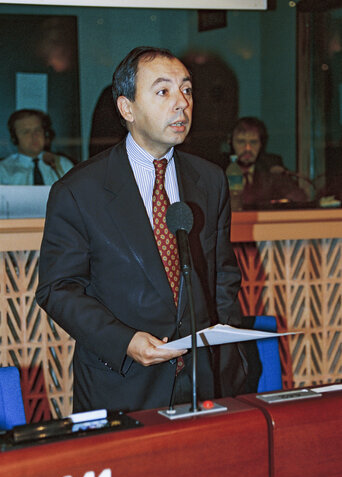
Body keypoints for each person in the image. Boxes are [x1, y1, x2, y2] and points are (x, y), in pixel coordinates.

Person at [36, 46, 247, 414]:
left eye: (187, 90)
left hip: (204, 382)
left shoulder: (210, 180)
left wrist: (226, 353)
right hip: (121, 383)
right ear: (127, 108)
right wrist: (124, 341)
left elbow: (221, 276)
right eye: (163, 91)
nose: (181, 103)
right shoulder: (79, 190)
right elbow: (58, 289)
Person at [226, 117, 307, 209]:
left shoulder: (270, 165)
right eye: (241, 142)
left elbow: (299, 197)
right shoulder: (219, 169)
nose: (247, 148)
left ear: (261, 144)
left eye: (253, 142)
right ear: (230, 143)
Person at [0, 109, 74, 185]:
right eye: (26, 132)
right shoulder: (3, 170)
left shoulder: (62, 164)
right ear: (14, 138)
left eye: (38, 130)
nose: (34, 136)